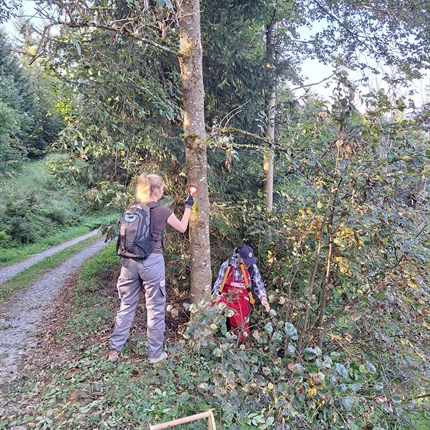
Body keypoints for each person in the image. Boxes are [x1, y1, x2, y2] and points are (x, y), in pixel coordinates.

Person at [108, 173, 194, 364]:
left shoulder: (132, 208)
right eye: (162, 188)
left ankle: (114, 350)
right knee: (155, 308)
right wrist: (188, 206)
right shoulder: (163, 211)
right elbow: (182, 227)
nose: (163, 191)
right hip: (152, 261)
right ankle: (155, 354)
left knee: (126, 305)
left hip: (128, 262)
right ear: (156, 191)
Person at [213, 246, 270, 344]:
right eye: (246, 262)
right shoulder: (227, 266)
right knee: (211, 316)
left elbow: (259, 285)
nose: (248, 265)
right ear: (240, 259)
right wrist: (217, 294)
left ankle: (239, 347)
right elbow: (218, 284)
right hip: (225, 298)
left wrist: (263, 299)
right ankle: (211, 342)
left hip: (241, 302)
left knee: (242, 329)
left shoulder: (252, 268)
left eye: (250, 262)